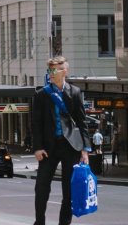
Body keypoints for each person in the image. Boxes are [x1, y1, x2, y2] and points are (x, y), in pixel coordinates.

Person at [30, 56, 90, 225]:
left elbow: (81, 121)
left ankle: (65, 223)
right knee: (41, 187)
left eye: (54, 70)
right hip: (48, 147)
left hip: (70, 146)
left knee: (69, 189)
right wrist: (37, 147)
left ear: (64, 72)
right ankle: (39, 221)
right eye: (49, 70)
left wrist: (85, 150)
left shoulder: (75, 93)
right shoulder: (42, 94)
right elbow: (36, 123)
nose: (51, 74)